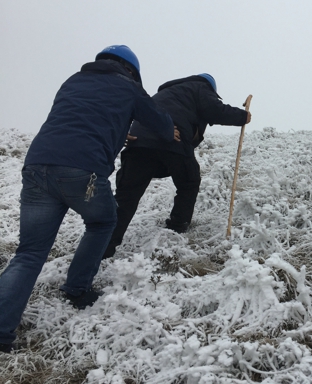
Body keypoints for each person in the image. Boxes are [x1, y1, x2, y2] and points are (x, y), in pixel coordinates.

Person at [0, 45, 179, 353]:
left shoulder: (73, 81)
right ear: (131, 71)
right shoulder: (130, 88)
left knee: (29, 253)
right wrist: (172, 130)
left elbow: (82, 119)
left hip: (38, 165)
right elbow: (161, 124)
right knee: (103, 221)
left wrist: (117, 131)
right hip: (83, 170)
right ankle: (77, 289)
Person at [102, 73, 250, 259]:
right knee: (189, 182)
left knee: (126, 197)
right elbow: (214, 109)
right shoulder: (199, 87)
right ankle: (177, 225)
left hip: (138, 143)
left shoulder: (165, 93)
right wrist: (242, 116)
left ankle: (102, 247)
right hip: (173, 139)